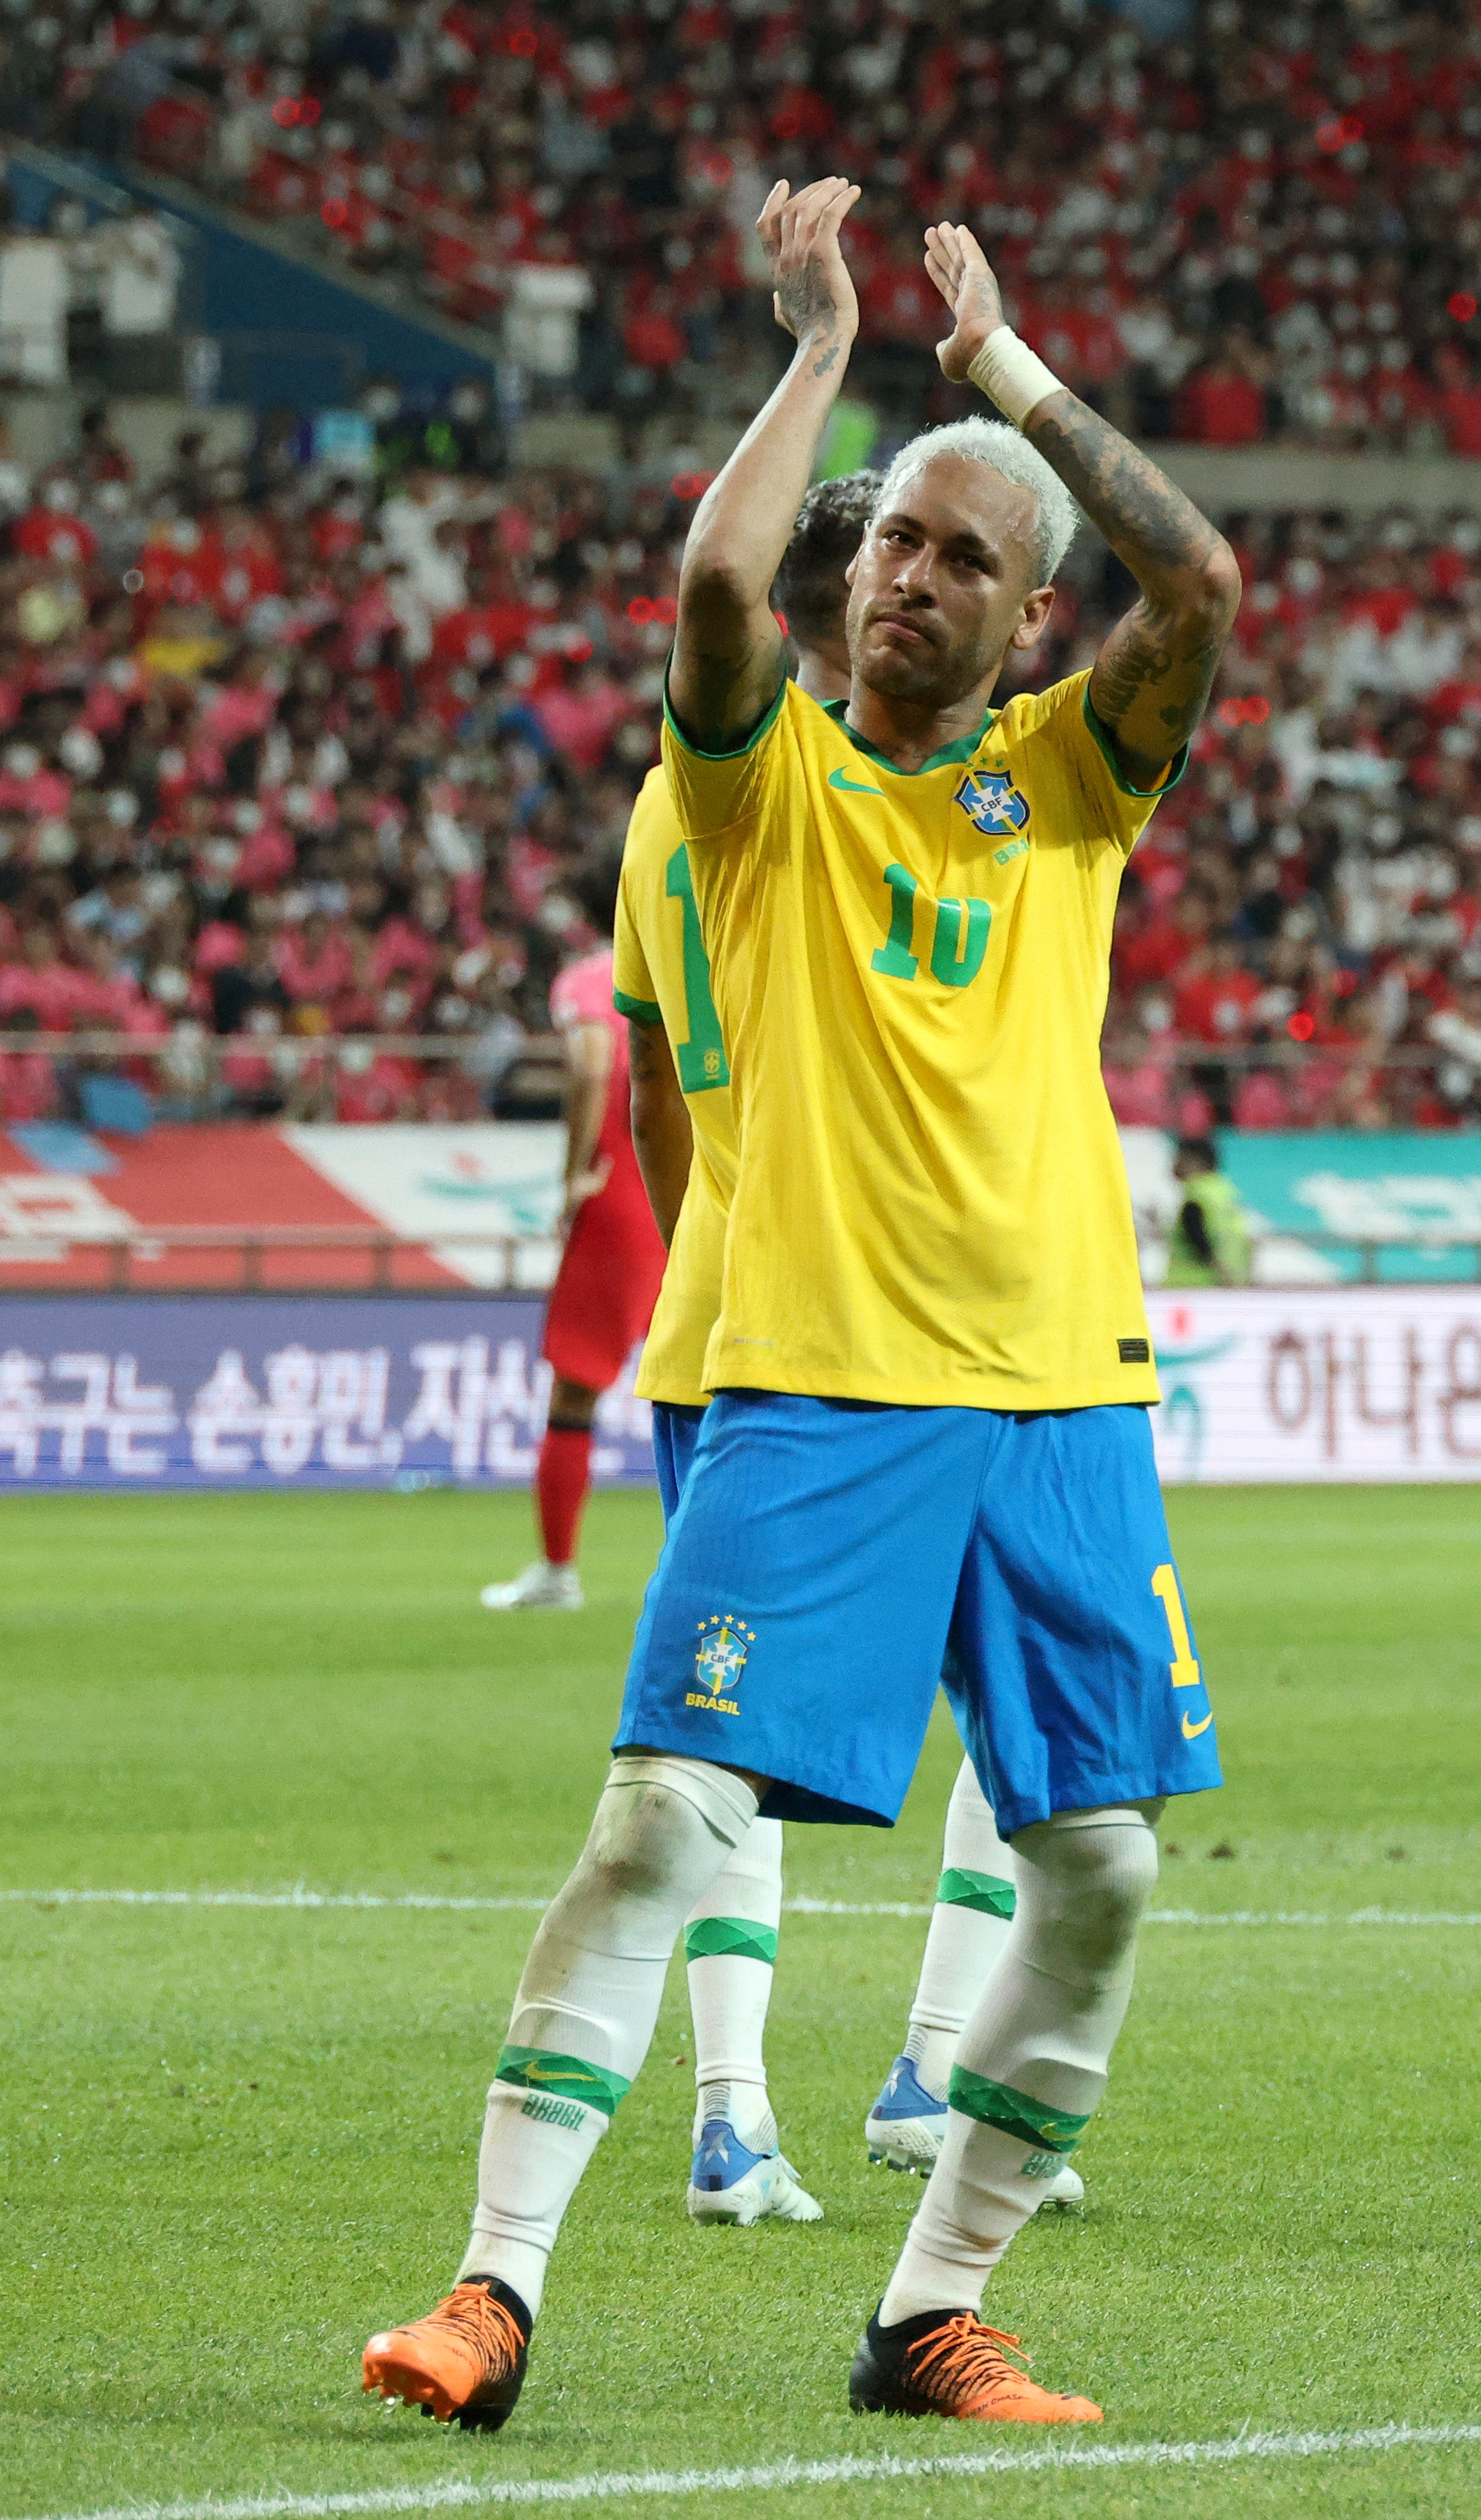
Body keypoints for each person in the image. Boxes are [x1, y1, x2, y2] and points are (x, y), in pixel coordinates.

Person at [362, 174, 1238, 2432]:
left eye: (963, 555)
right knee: (662, 1819)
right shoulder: (753, 801)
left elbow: (1208, 579)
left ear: (1032, 616)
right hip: (825, 1385)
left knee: (1108, 1867)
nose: (908, 576)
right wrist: (824, 350)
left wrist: (1009, 379)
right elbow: (716, 584)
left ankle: (929, 2311)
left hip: (1062, 1394)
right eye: (894, 547)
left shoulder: (1074, 785)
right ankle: (492, 2290)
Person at [598, 468, 882, 2225]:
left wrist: (710, 1229)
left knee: (727, 1739)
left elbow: (648, 1082)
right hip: (857, 1315)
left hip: (717, 1301)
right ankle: (917, 2079)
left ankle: (735, 2109)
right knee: (1026, 1732)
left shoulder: (666, 801)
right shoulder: (850, 797)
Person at [478, 867, 669, 1616]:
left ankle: (558, 1570)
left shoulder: (593, 978)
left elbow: (594, 1066)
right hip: (698, 1183)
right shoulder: (699, 953)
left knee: (576, 1388)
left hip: (623, 1184)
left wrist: (572, 1178)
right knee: (709, 1387)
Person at [1161, 1133, 1252, 1287]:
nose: (1174, 1163)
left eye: (1179, 1157)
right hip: (1229, 1283)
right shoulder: (1227, 1193)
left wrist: (1222, 1272)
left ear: (1195, 1161)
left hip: (1192, 1286)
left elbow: (1198, 1240)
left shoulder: (1196, 1198)